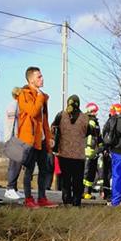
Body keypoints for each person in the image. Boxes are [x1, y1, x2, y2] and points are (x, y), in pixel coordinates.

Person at [14, 66, 55, 208]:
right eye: (39, 76)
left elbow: (44, 120)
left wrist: (49, 137)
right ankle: (28, 198)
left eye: (41, 76)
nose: (42, 79)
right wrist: (39, 97)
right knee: (29, 170)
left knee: (44, 169)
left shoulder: (42, 96)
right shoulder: (24, 94)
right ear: (31, 80)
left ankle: (42, 198)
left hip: (41, 139)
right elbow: (33, 111)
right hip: (30, 139)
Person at [52, 94, 88, 206]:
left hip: (64, 154)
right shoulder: (84, 118)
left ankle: (66, 199)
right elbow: (88, 132)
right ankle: (76, 202)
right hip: (79, 155)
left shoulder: (61, 115)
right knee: (78, 180)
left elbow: (53, 129)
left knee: (65, 179)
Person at [82, 102, 102, 200]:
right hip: (87, 150)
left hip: (94, 151)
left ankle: (87, 192)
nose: (95, 113)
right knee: (85, 173)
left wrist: (101, 148)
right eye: (94, 111)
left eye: (96, 111)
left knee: (91, 174)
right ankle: (82, 192)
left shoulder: (96, 123)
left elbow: (99, 137)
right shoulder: (86, 120)